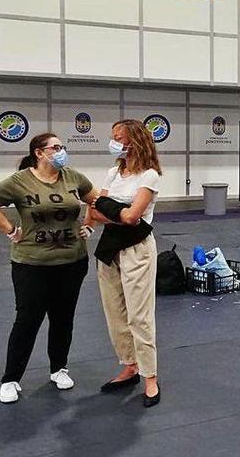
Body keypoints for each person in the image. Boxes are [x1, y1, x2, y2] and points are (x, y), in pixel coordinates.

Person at [0, 133, 99, 404]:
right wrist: (10, 229)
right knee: (27, 320)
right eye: (55, 147)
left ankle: (58, 368)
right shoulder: (20, 181)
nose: (61, 151)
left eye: (62, 147)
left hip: (72, 261)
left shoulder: (73, 177)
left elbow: (97, 200)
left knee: (63, 317)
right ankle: (10, 379)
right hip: (31, 264)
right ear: (39, 153)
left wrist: (89, 224)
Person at [84, 119, 162, 407]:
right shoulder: (112, 172)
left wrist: (106, 208)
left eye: (119, 137)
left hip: (137, 248)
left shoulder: (150, 175)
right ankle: (130, 366)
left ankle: (150, 377)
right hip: (110, 248)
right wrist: (114, 211)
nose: (114, 142)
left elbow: (134, 218)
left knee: (139, 316)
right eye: (113, 137)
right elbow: (93, 213)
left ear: (135, 140)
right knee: (115, 313)